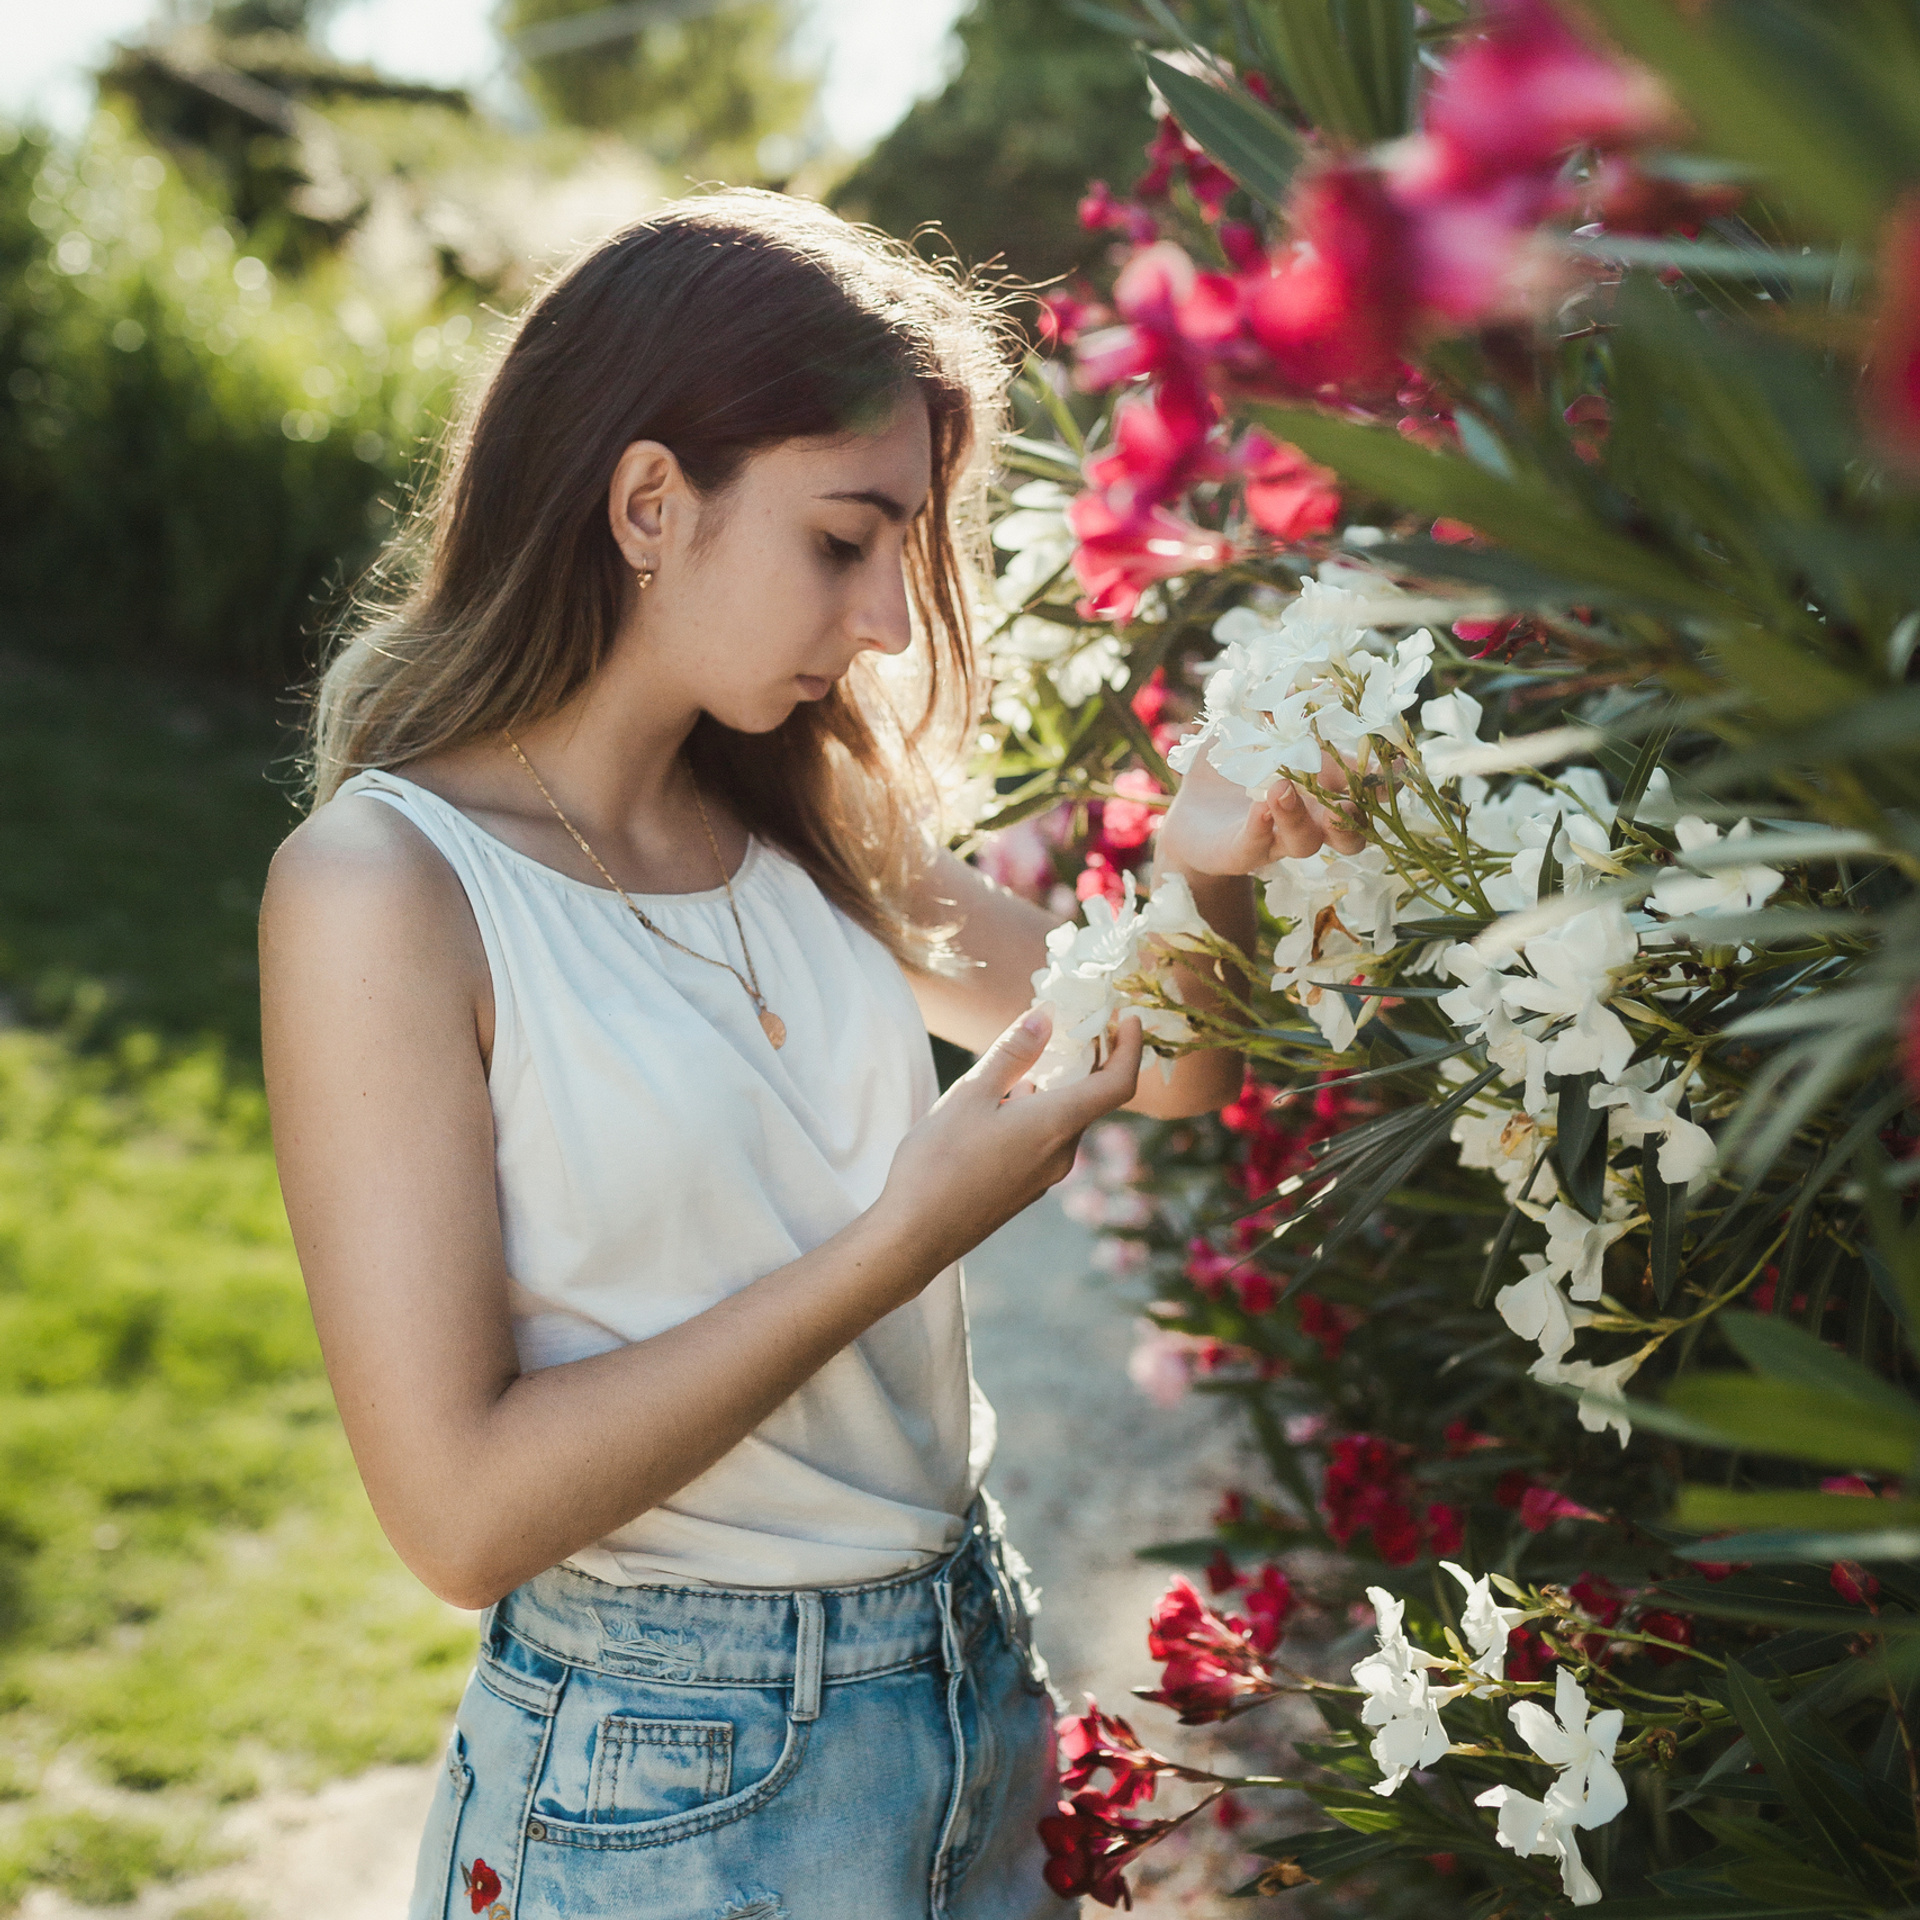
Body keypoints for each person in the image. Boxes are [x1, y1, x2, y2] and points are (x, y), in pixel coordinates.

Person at [258, 190, 1359, 1920]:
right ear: (645, 502)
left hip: (966, 1685)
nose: (890, 623)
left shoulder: (805, 818)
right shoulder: (386, 889)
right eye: (845, 539)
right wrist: (905, 1238)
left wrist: (1208, 866)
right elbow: (458, 1516)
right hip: (666, 1785)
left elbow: (1162, 1066)